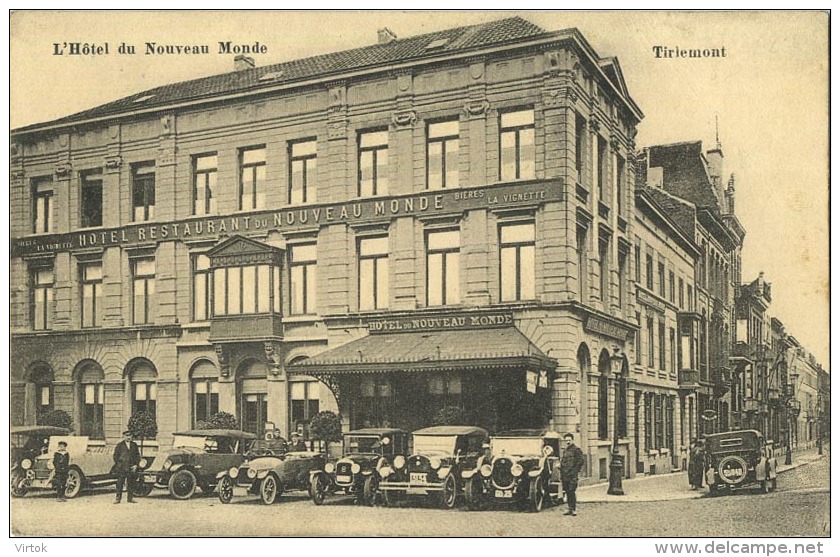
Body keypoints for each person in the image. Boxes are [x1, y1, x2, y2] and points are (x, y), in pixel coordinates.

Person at [112, 430, 141, 504]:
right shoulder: (119, 445)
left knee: (131, 483)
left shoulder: (134, 445)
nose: (128, 437)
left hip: (131, 467)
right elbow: (115, 456)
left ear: (131, 436)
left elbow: (137, 456)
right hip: (122, 468)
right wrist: (119, 464)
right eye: (127, 436)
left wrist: (135, 465)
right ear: (124, 436)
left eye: (130, 435)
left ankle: (130, 498)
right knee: (119, 483)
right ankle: (118, 499)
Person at [560, 432, 585, 516]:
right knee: (567, 491)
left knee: (571, 491)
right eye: (566, 440)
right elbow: (563, 461)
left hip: (572, 475)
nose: (567, 442)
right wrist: (560, 466)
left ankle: (573, 509)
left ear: (572, 440)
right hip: (565, 474)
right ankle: (569, 509)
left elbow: (580, 461)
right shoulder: (565, 451)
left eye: (569, 440)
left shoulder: (577, 450)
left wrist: (575, 471)